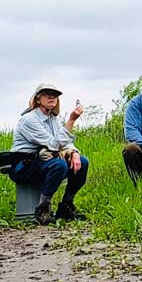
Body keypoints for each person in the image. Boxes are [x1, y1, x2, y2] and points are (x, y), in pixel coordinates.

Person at [8, 83, 89, 225]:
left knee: (82, 162)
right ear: (38, 99)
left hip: (41, 162)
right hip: (22, 166)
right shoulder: (29, 120)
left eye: (55, 94)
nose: (52, 96)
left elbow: (63, 142)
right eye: (47, 93)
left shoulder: (53, 119)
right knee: (59, 165)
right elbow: (54, 144)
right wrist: (71, 121)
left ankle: (66, 205)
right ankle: (43, 208)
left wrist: (74, 152)